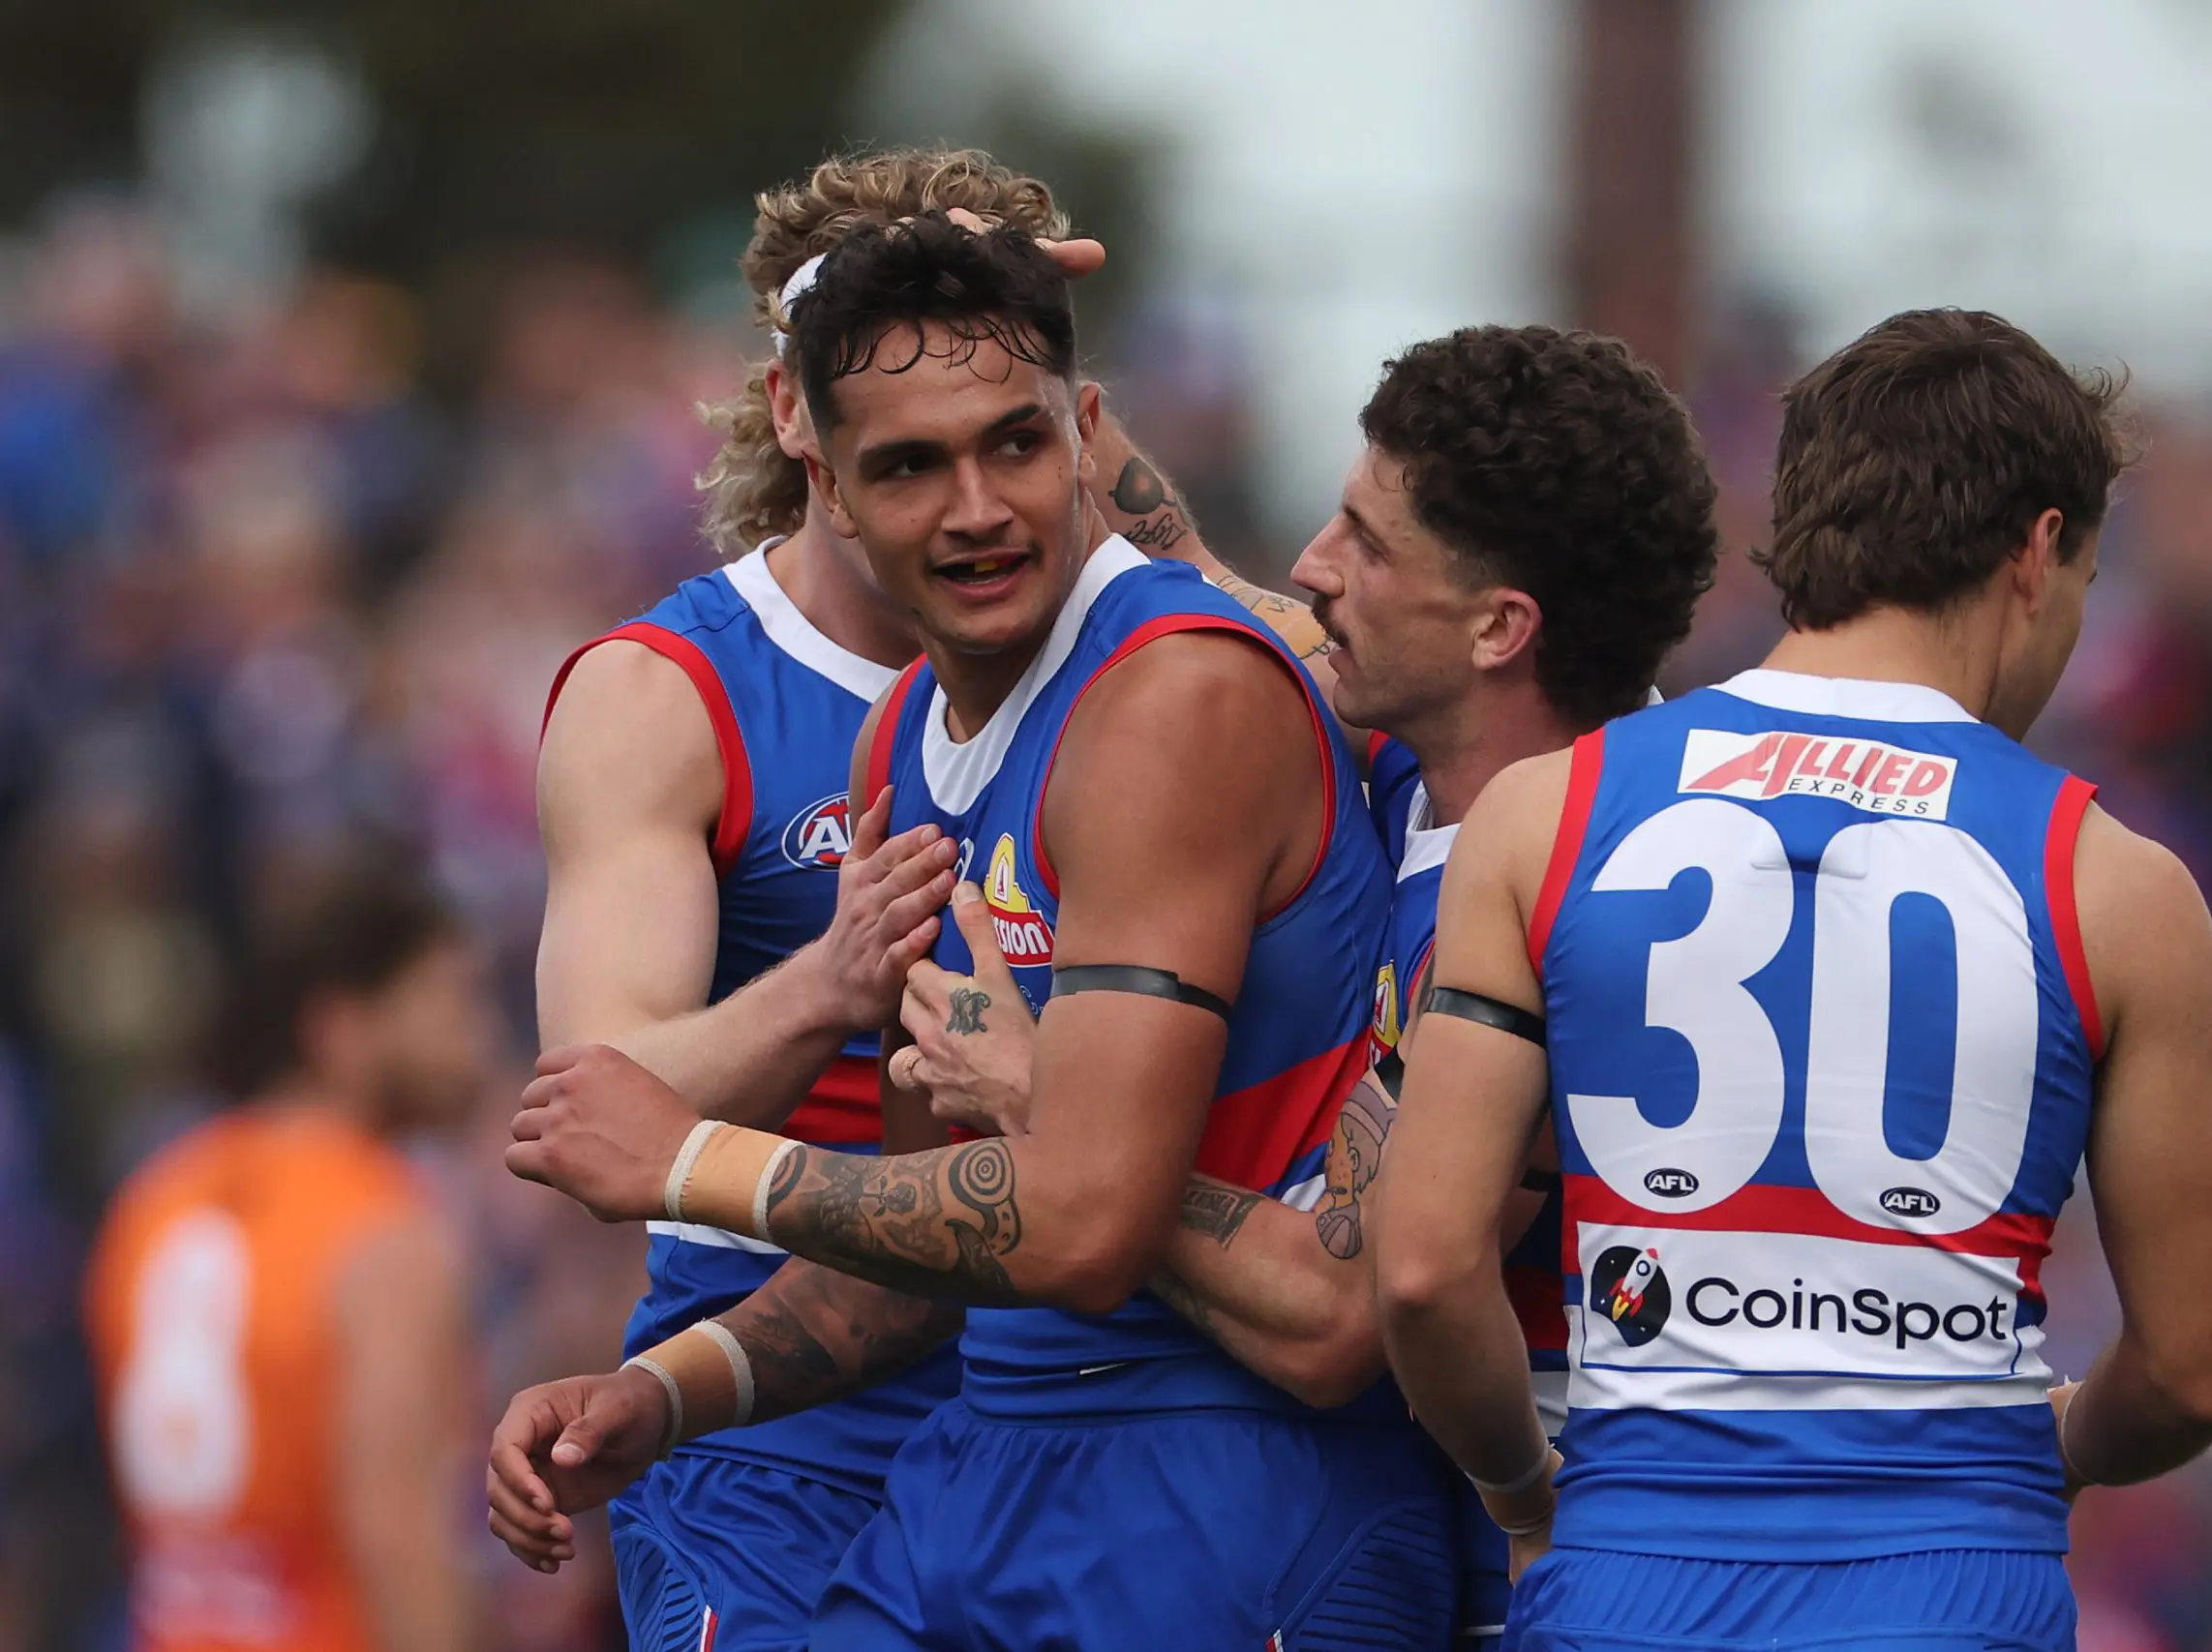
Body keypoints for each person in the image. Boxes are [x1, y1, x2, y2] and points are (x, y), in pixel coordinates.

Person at [503, 214, 1457, 1649]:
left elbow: (1074, 1221)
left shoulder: (1175, 695)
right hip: (981, 1456)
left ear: (1086, 433)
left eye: (1013, 445)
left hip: (1221, 1477)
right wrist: (671, 1390)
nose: (975, 508)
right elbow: (941, 1238)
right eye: (907, 465)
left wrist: (696, 1158)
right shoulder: (900, 737)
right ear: (821, 478)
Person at [1371, 308, 2212, 1652]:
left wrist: (1528, 1491)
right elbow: (2195, 1367)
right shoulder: (2119, 885)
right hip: (1952, 1586)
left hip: (1629, 1572)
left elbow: (1429, 1267)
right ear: (2035, 552)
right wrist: (2046, 1444)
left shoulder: (1545, 815)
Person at [888, 321, 1720, 1649]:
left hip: (1588, 1549)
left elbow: (1345, 1309)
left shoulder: (1568, 887)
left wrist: (1050, 1100)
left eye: (1367, 541)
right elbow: (1210, 581)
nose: (1311, 565)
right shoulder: (1443, 767)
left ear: (1502, 626)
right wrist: (1007, 324)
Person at [86, 864, 491, 1652]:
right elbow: (396, 1531)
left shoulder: (153, 1196)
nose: (473, 1037)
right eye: (448, 998)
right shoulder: (384, 1222)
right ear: (341, 1026)